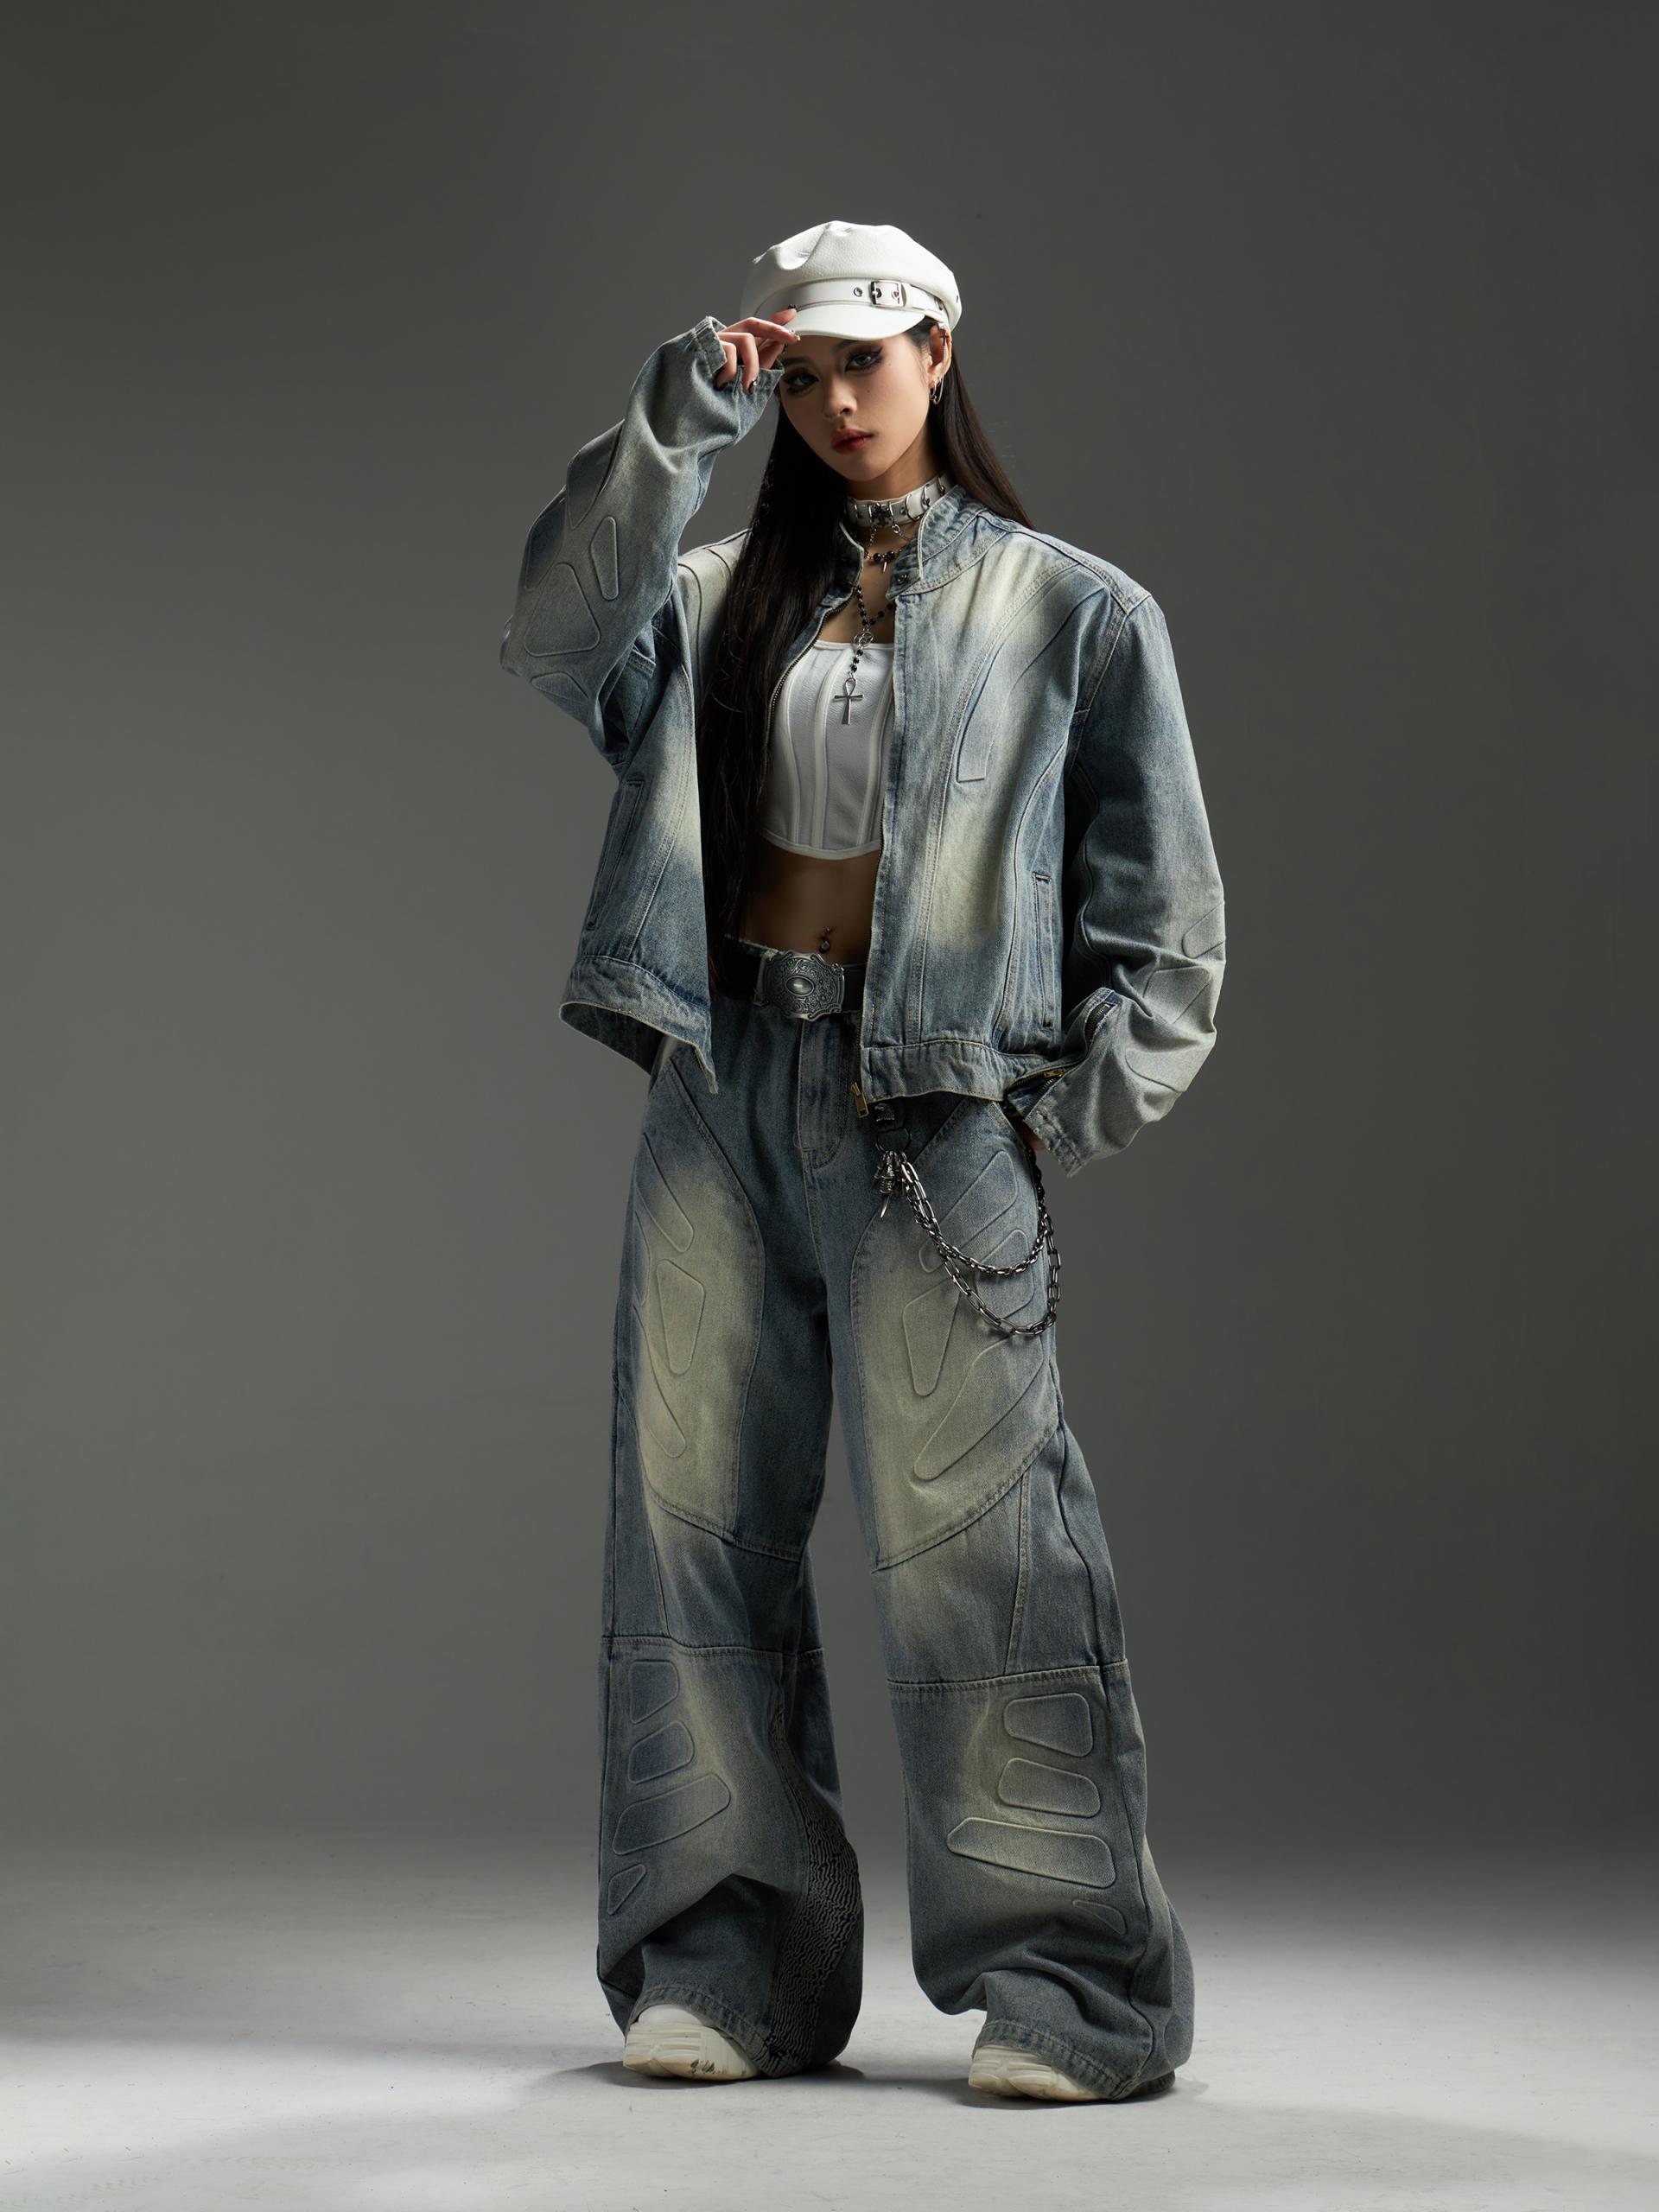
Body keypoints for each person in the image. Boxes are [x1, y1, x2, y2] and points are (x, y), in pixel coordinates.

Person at [499, 219, 1225, 2103]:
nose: (833, 403)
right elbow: (559, 632)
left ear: (939, 352)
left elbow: (1170, 933)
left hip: (934, 1111)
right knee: (690, 1527)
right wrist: (680, 411)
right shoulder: (718, 593)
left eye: (866, 363)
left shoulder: (1074, 611)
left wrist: (1048, 1111)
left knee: (981, 1552)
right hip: (721, 1082)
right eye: (803, 375)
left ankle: (1071, 1987)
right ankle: (725, 1963)